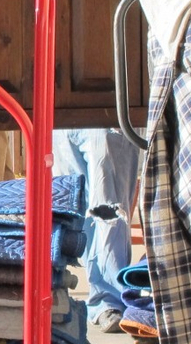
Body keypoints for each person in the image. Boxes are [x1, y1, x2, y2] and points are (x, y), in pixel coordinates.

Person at [52, 128, 142, 333]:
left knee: (107, 212)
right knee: (72, 209)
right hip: (61, 120)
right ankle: (102, 299)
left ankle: (108, 300)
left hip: (106, 119)